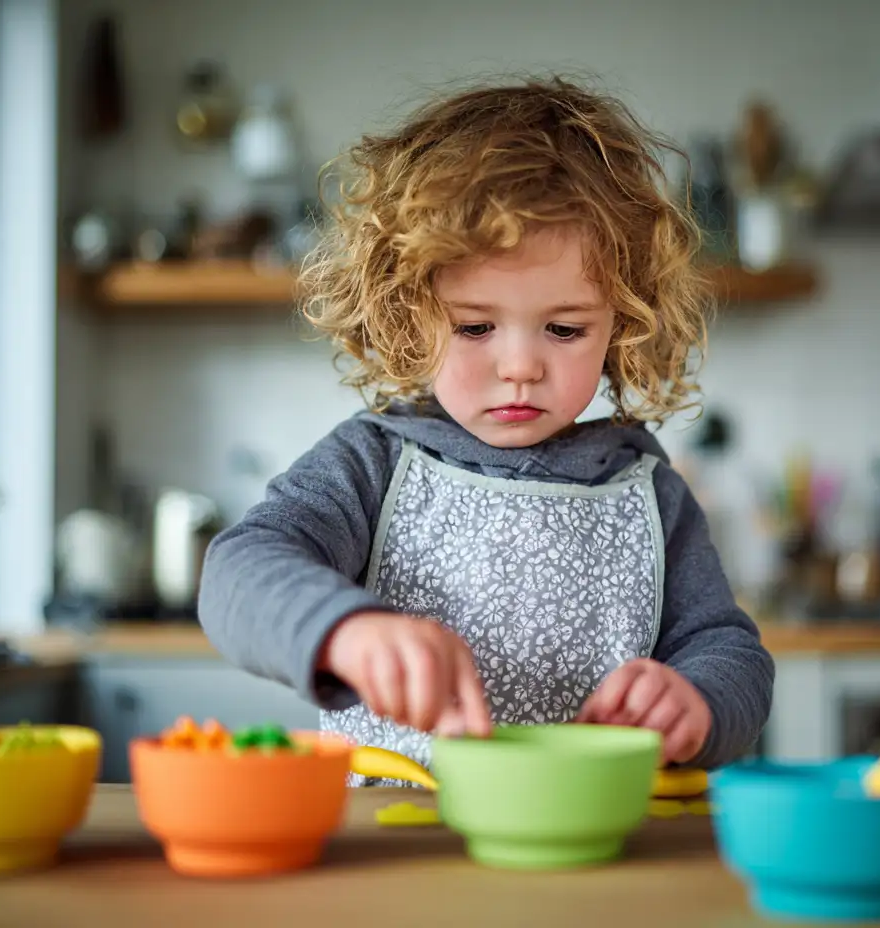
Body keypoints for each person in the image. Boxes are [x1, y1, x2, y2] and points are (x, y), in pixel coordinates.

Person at [198, 76, 774, 783]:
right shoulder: (373, 464)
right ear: (408, 317)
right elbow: (237, 573)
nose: (521, 366)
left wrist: (698, 701)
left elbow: (731, 653)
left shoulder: (647, 492)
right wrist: (344, 631)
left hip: (584, 838)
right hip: (390, 836)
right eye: (474, 327)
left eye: (565, 329)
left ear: (622, 323)